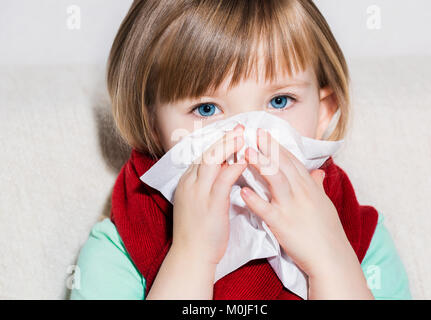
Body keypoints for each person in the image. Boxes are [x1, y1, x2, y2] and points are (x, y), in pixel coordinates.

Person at [70, 0, 411, 300]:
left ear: (323, 111)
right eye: (206, 109)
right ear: (152, 123)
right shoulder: (122, 246)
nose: (247, 137)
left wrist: (330, 261)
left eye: (280, 101)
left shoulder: (362, 238)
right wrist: (191, 256)